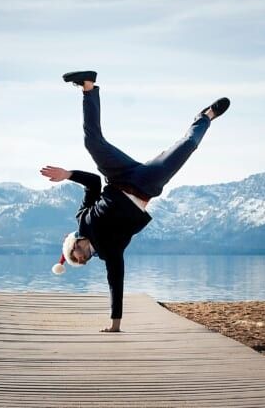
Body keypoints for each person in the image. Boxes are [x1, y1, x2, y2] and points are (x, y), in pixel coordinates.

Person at [40, 70, 229, 333]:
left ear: (74, 244)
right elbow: (115, 282)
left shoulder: (82, 219)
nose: (80, 259)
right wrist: (115, 325)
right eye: (79, 261)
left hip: (118, 175)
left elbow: (94, 182)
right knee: (185, 147)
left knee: (92, 142)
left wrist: (68, 175)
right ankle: (206, 117)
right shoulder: (109, 253)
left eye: (75, 255)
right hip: (146, 184)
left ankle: (88, 86)